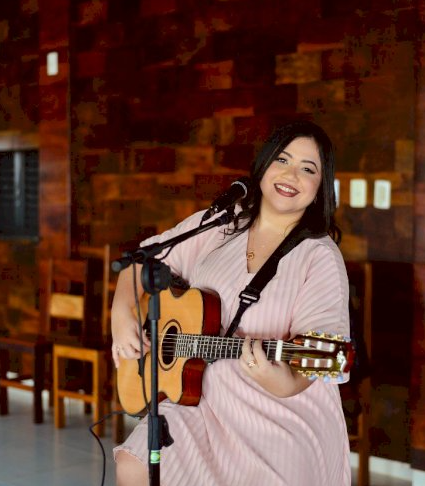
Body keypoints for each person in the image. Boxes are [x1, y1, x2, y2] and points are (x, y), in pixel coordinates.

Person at [110, 120, 352, 486]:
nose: (291, 175)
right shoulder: (222, 224)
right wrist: (121, 313)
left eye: (308, 169)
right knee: (134, 463)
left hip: (279, 415)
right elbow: (143, 261)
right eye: (282, 160)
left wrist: (280, 381)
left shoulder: (319, 257)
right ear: (264, 165)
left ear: (320, 187)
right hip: (200, 401)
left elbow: (314, 363)